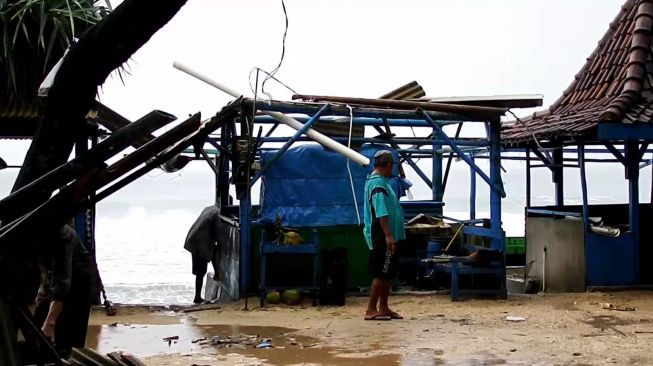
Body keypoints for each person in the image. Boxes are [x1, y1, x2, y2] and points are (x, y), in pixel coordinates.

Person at [34, 225, 93, 356]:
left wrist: (50, 323)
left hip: (78, 284)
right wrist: (42, 291)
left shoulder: (63, 235)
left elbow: (62, 282)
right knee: (36, 331)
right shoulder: (33, 233)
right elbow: (44, 267)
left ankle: (67, 354)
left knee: (68, 343)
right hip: (55, 279)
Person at [363, 150, 406, 321]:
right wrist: (388, 235)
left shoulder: (379, 182)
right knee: (381, 272)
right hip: (381, 234)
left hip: (389, 234)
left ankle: (384, 307)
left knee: (388, 272)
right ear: (388, 165)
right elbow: (381, 211)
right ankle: (371, 309)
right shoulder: (378, 184)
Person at [184, 204, 220, 304]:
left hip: (194, 238)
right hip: (199, 242)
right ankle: (197, 298)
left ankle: (197, 297)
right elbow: (217, 235)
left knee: (199, 272)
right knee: (201, 272)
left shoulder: (210, 208)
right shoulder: (217, 213)